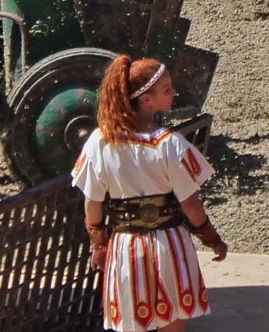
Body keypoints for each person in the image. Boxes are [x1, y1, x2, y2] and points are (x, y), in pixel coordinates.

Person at [71, 55, 227, 332]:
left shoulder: (100, 141)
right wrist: (212, 239)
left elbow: (93, 202)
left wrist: (99, 244)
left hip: (126, 248)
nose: (174, 93)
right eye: (167, 89)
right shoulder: (170, 145)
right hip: (170, 246)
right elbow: (191, 204)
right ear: (145, 99)